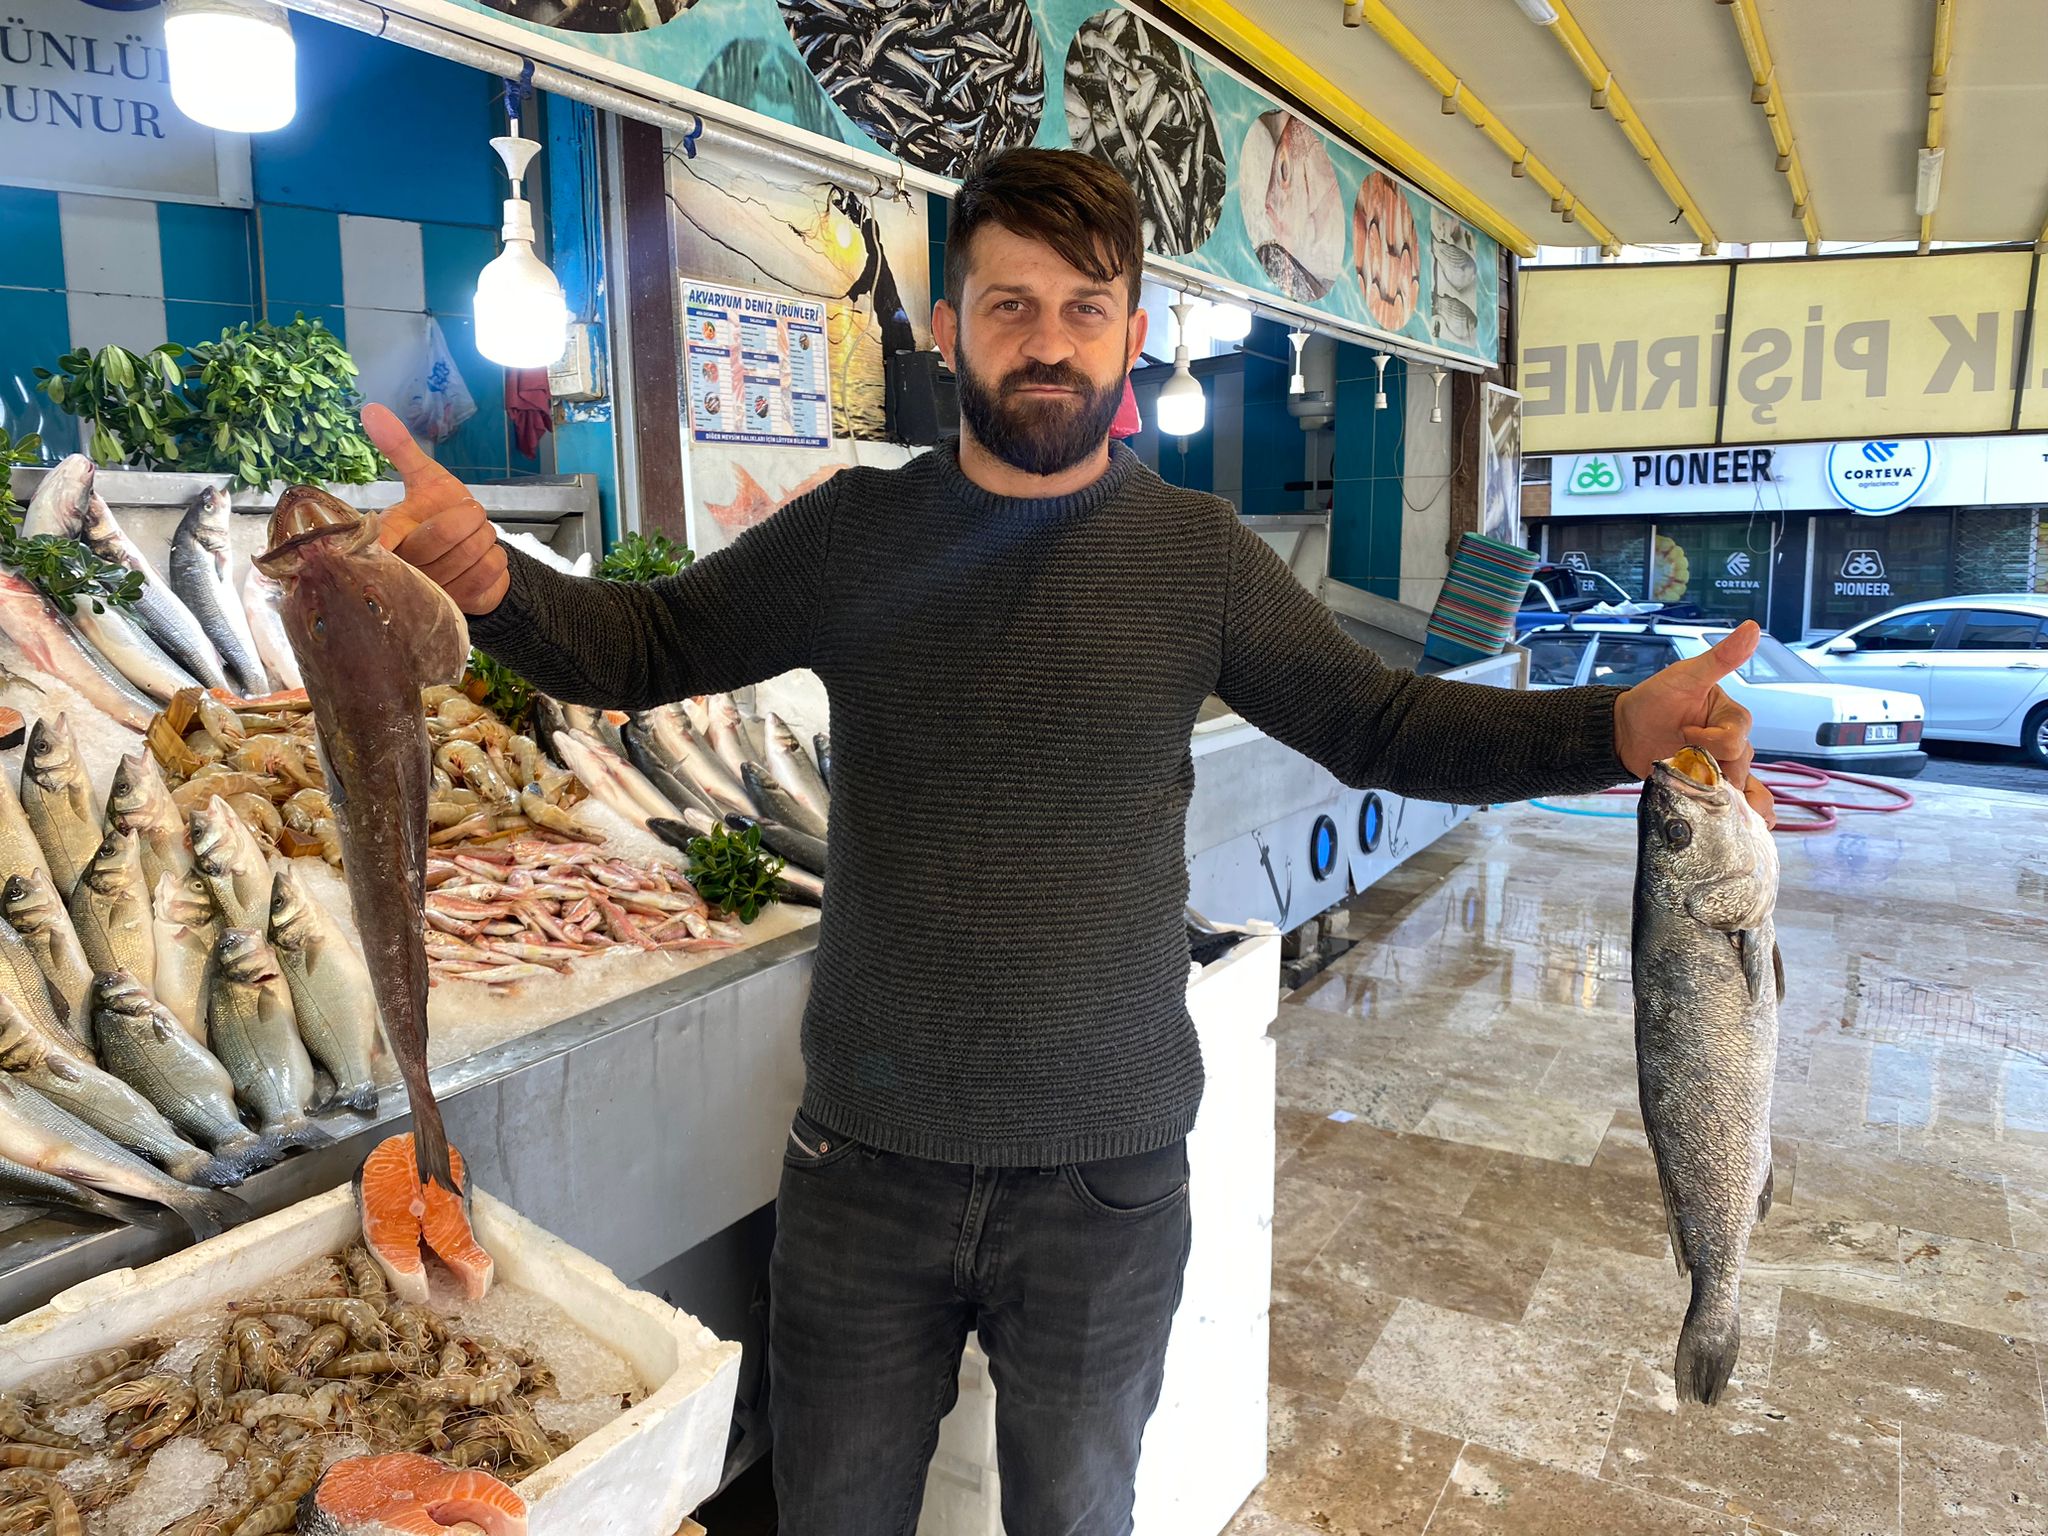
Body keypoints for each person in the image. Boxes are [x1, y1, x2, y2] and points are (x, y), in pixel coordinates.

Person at [363, 147, 1773, 1536]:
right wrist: (497, 580)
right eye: (1011, 306)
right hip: (865, 1170)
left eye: (1082, 308)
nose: (1048, 344)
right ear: (952, 333)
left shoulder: (1198, 557)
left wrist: (1616, 731)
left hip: (1107, 1181)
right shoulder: (857, 535)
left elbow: (1385, 725)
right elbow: (649, 643)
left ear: (1132, 333)